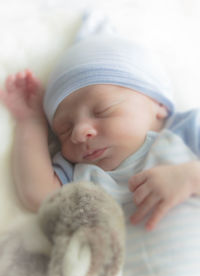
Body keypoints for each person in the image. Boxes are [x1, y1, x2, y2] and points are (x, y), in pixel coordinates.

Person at [1, 11, 200, 233]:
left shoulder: (185, 131)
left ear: (158, 104)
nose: (79, 133)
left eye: (102, 111)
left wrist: (191, 177)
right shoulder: (84, 176)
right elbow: (37, 195)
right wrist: (31, 121)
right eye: (64, 130)